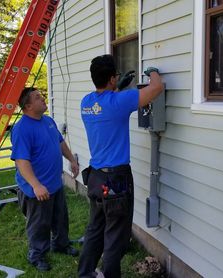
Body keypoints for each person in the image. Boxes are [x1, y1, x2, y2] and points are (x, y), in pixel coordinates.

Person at [78, 54, 164, 278]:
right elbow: (156, 88)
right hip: (116, 180)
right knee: (116, 236)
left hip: (95, 178)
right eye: (115, 76)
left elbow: (106, 103)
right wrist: (152, 71)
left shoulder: (86, 102)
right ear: (112, 79)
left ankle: (86, 273)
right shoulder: (119, 102)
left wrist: (118, 86)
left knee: (95, 228)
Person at [11, 87, 80, 272]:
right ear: (28, 106)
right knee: (39, 224)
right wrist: (36, 185)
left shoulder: (48, 121)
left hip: (55, 184)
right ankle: (37, 254)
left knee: (60, 218)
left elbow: (60, 142)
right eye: (37, 97)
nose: (43, 98)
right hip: (37, 189)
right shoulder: (21, 129)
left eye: (41, 95)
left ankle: (61, 244)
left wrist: (72, 160)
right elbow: (21, 161)